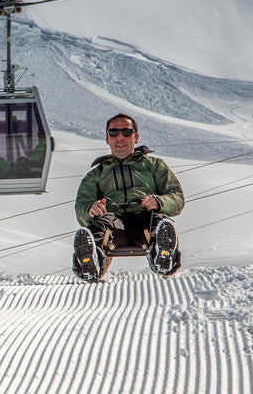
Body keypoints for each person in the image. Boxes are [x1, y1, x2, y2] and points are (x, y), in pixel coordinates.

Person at [72, 113, 184, 281]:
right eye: (114, 133)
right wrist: (91, 209)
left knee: (159, 222)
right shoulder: (97, 174)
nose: (120, 137)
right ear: (107, 138)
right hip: (114, 222)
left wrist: (159, 201)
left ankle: (162, 255)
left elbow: (177, 197)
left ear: (136, 137)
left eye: (126, 132)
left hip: (145, 217)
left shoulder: (154, 166)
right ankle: (92, 260)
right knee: (99, 225)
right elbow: (81, 205)